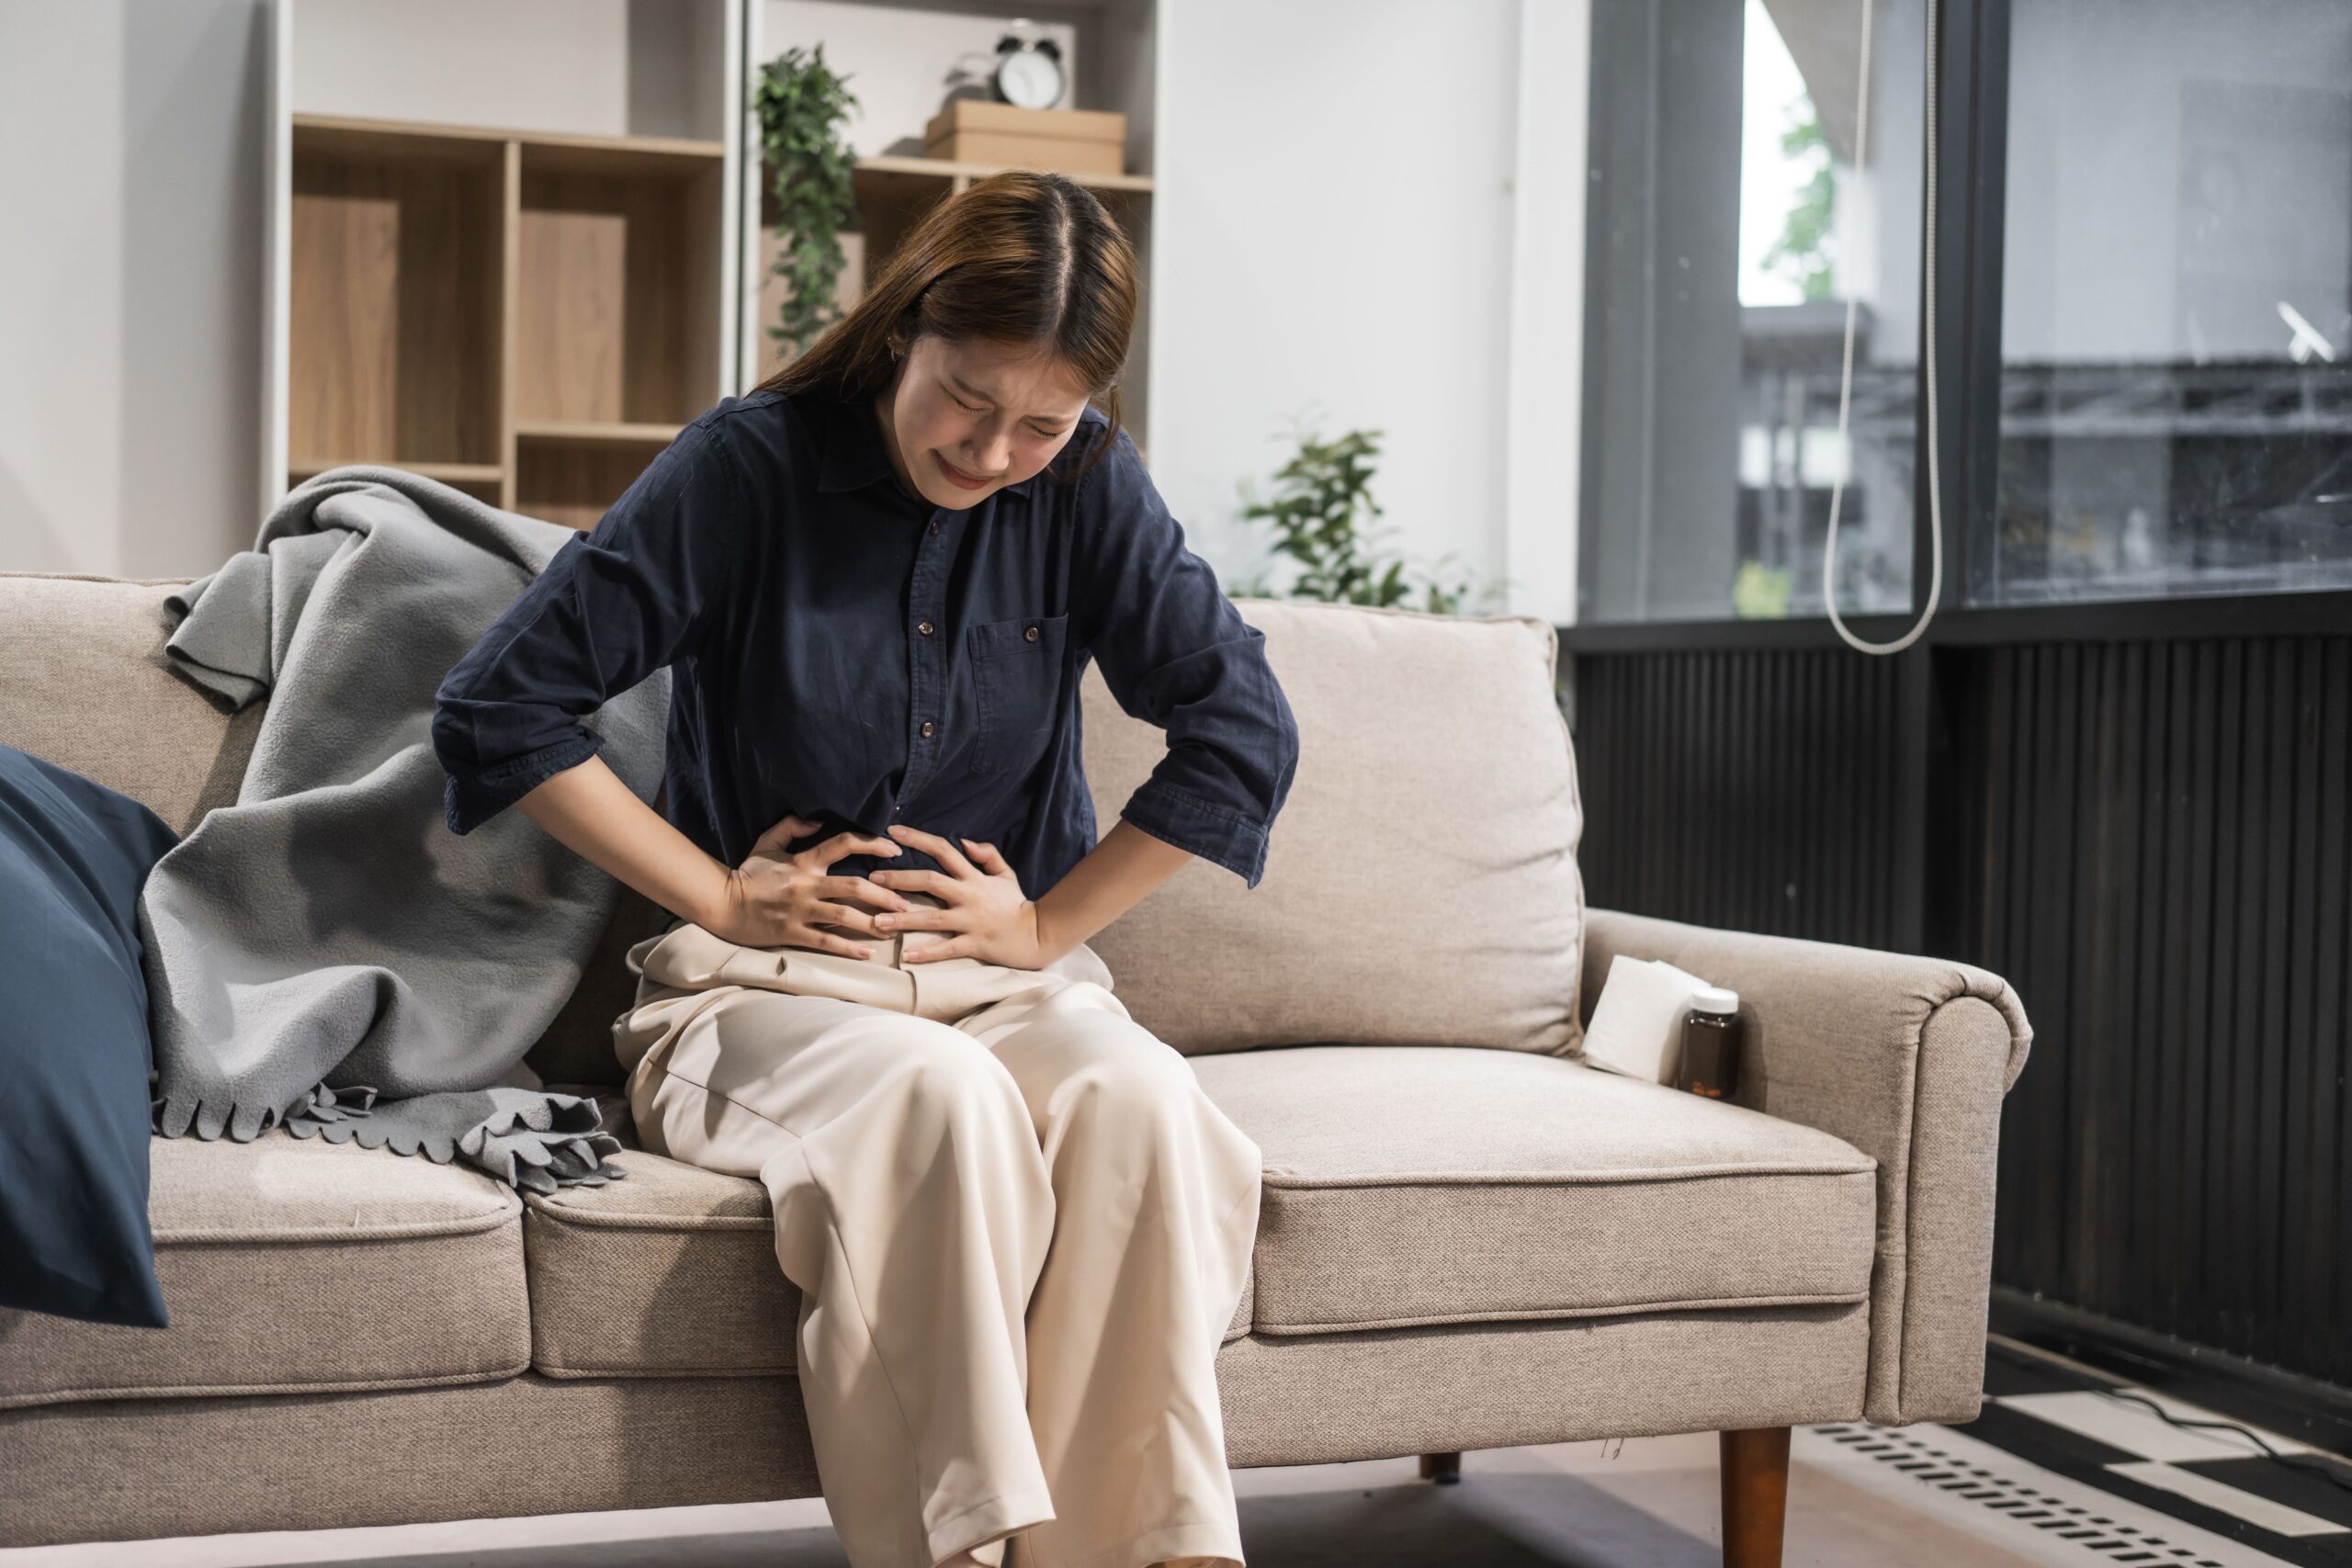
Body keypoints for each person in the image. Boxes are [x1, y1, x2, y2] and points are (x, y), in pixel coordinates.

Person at [430, 169, 1301, 1568]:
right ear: (907, 327)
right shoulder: (747, 466)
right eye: (969, 396)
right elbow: (498, 709)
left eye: (1044, 421)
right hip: (763, 990)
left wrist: (1042, 929)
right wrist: (716, 893)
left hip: (1004, 984)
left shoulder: (1088, 488)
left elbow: (1245, 727)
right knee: (942, 1106)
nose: (996, 451)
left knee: (1143, 1099)